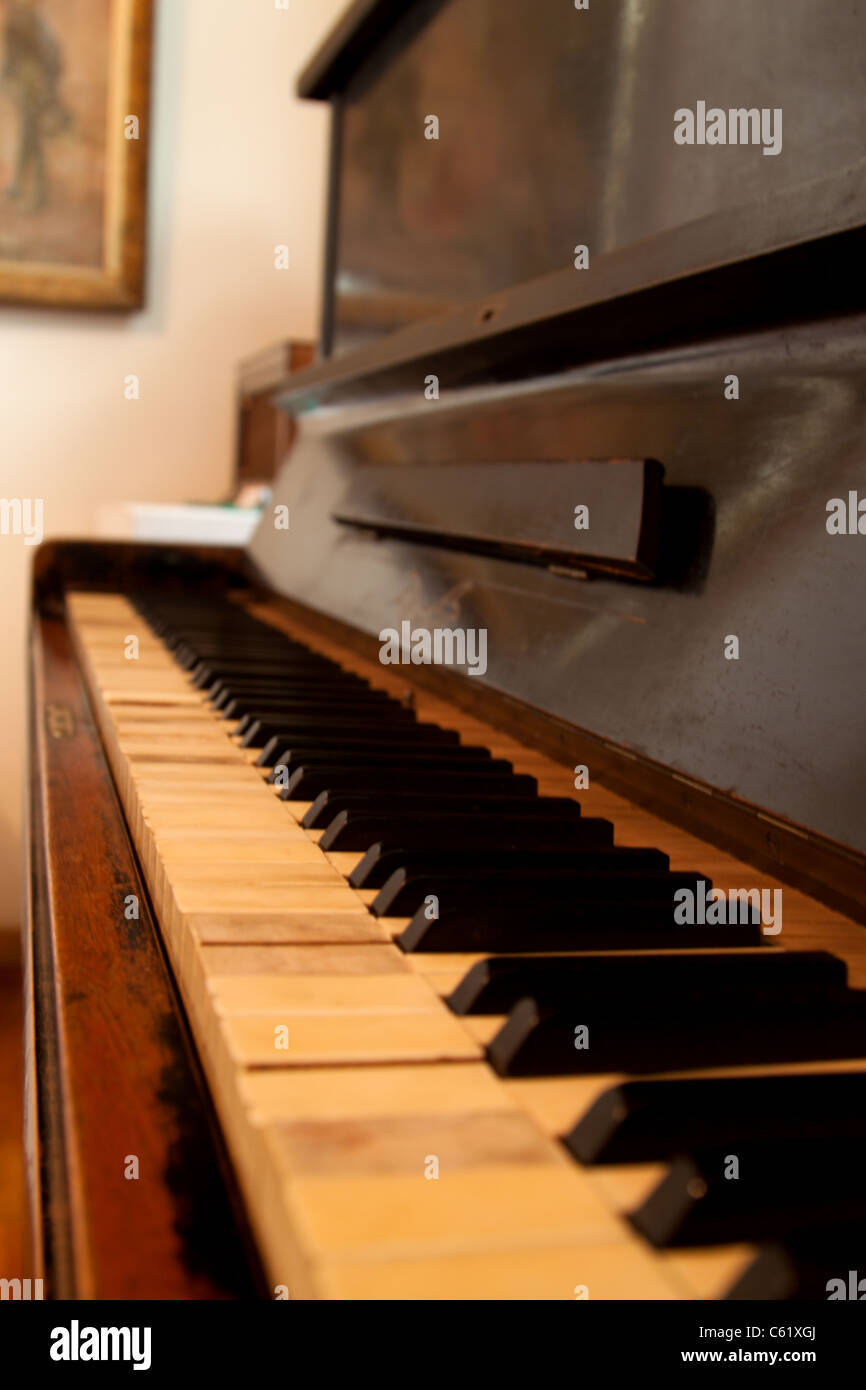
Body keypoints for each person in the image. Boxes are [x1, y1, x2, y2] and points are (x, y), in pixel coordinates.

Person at [2, 0, 71, 211]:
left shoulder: (28, 23)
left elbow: (45, 58)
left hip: (33, 86)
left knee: (33, 139)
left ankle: (37, 193)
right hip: (31, 85)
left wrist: (45, 88)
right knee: (28, 137)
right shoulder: (28, 21)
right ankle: (22, 185)